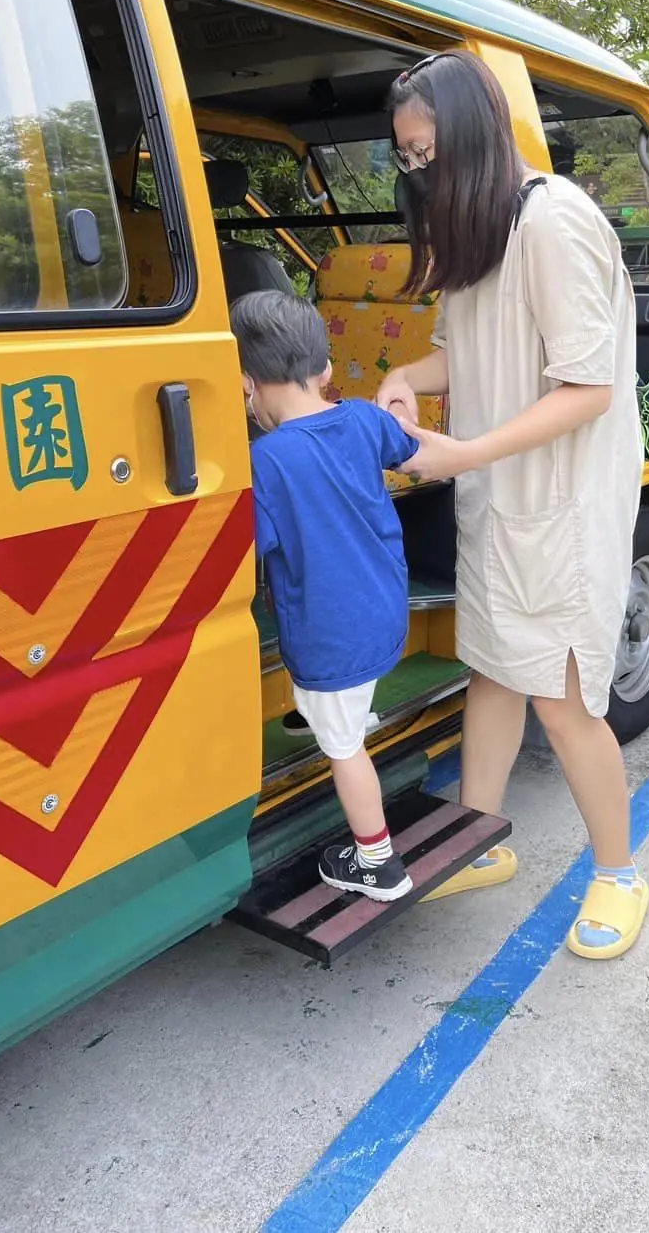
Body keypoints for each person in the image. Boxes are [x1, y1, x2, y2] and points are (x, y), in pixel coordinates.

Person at [377, 50, 648, 960]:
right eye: (406, 159)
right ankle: (475, 836)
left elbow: (586, 387)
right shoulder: (475, 231)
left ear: (474, 133)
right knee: (491, 671)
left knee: (565, 701)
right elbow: (467, 354)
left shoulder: (552, 219)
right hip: (496, 496)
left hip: (559, 505)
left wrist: (464, 451)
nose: (420, 172)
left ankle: (618, 873)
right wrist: (404, 375)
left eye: (427, 152)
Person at [232, 289, 419, 901]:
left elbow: (243, 557)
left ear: (246, 385)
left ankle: (378, 862)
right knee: (342, 711)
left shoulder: (267, 461)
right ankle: (346, 711)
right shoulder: (365, 419)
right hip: (385, 614)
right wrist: (394, 404)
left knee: (344, 751)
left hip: (331, 638)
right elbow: (405, 444)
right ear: (326, 370)